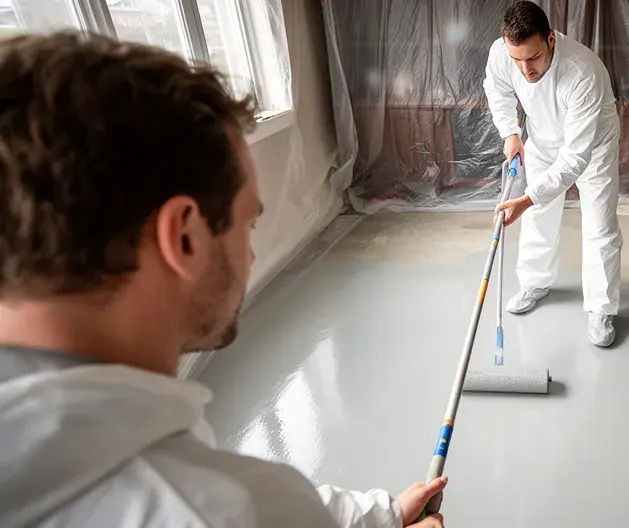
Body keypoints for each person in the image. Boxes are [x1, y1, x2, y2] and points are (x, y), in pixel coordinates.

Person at [0, 32, 445, 528]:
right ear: (185, 237)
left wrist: (381, 516)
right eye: (247, 225)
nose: (250, 253)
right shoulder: (191, 509)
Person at [484, 1, 623, 347]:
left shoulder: (582, 71)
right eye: (517, 60)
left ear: (550, 39)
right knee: (538, 215)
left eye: (533, 58)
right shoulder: (503, 53)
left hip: (593, 146)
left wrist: (527, 198)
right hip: (543, 139)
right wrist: (510, 132)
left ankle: (601, 308)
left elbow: (575, 156)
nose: (525, 70)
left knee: (600, 225)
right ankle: (535, 282)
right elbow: (497, 89)